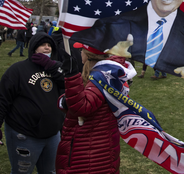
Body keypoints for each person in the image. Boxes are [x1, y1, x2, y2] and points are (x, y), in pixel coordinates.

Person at [0, 32, 66, 174]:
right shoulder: (17, 70)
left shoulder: (55, 68)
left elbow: (71, 82)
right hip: (24, 134)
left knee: (51, 171)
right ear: (34, 47)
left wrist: (51, 65)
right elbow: (1, 99)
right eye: (42, 45)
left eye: (49, 45)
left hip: (53, 134)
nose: (47, 48)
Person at [56, 43, 135, 174]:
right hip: (100, 147)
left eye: (81, 50)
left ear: (87, 55)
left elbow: (82, 108)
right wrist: (65, 101)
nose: (80, 53)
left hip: (89, 154)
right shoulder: (108, 76)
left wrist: (71, 77)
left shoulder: (100, 79)